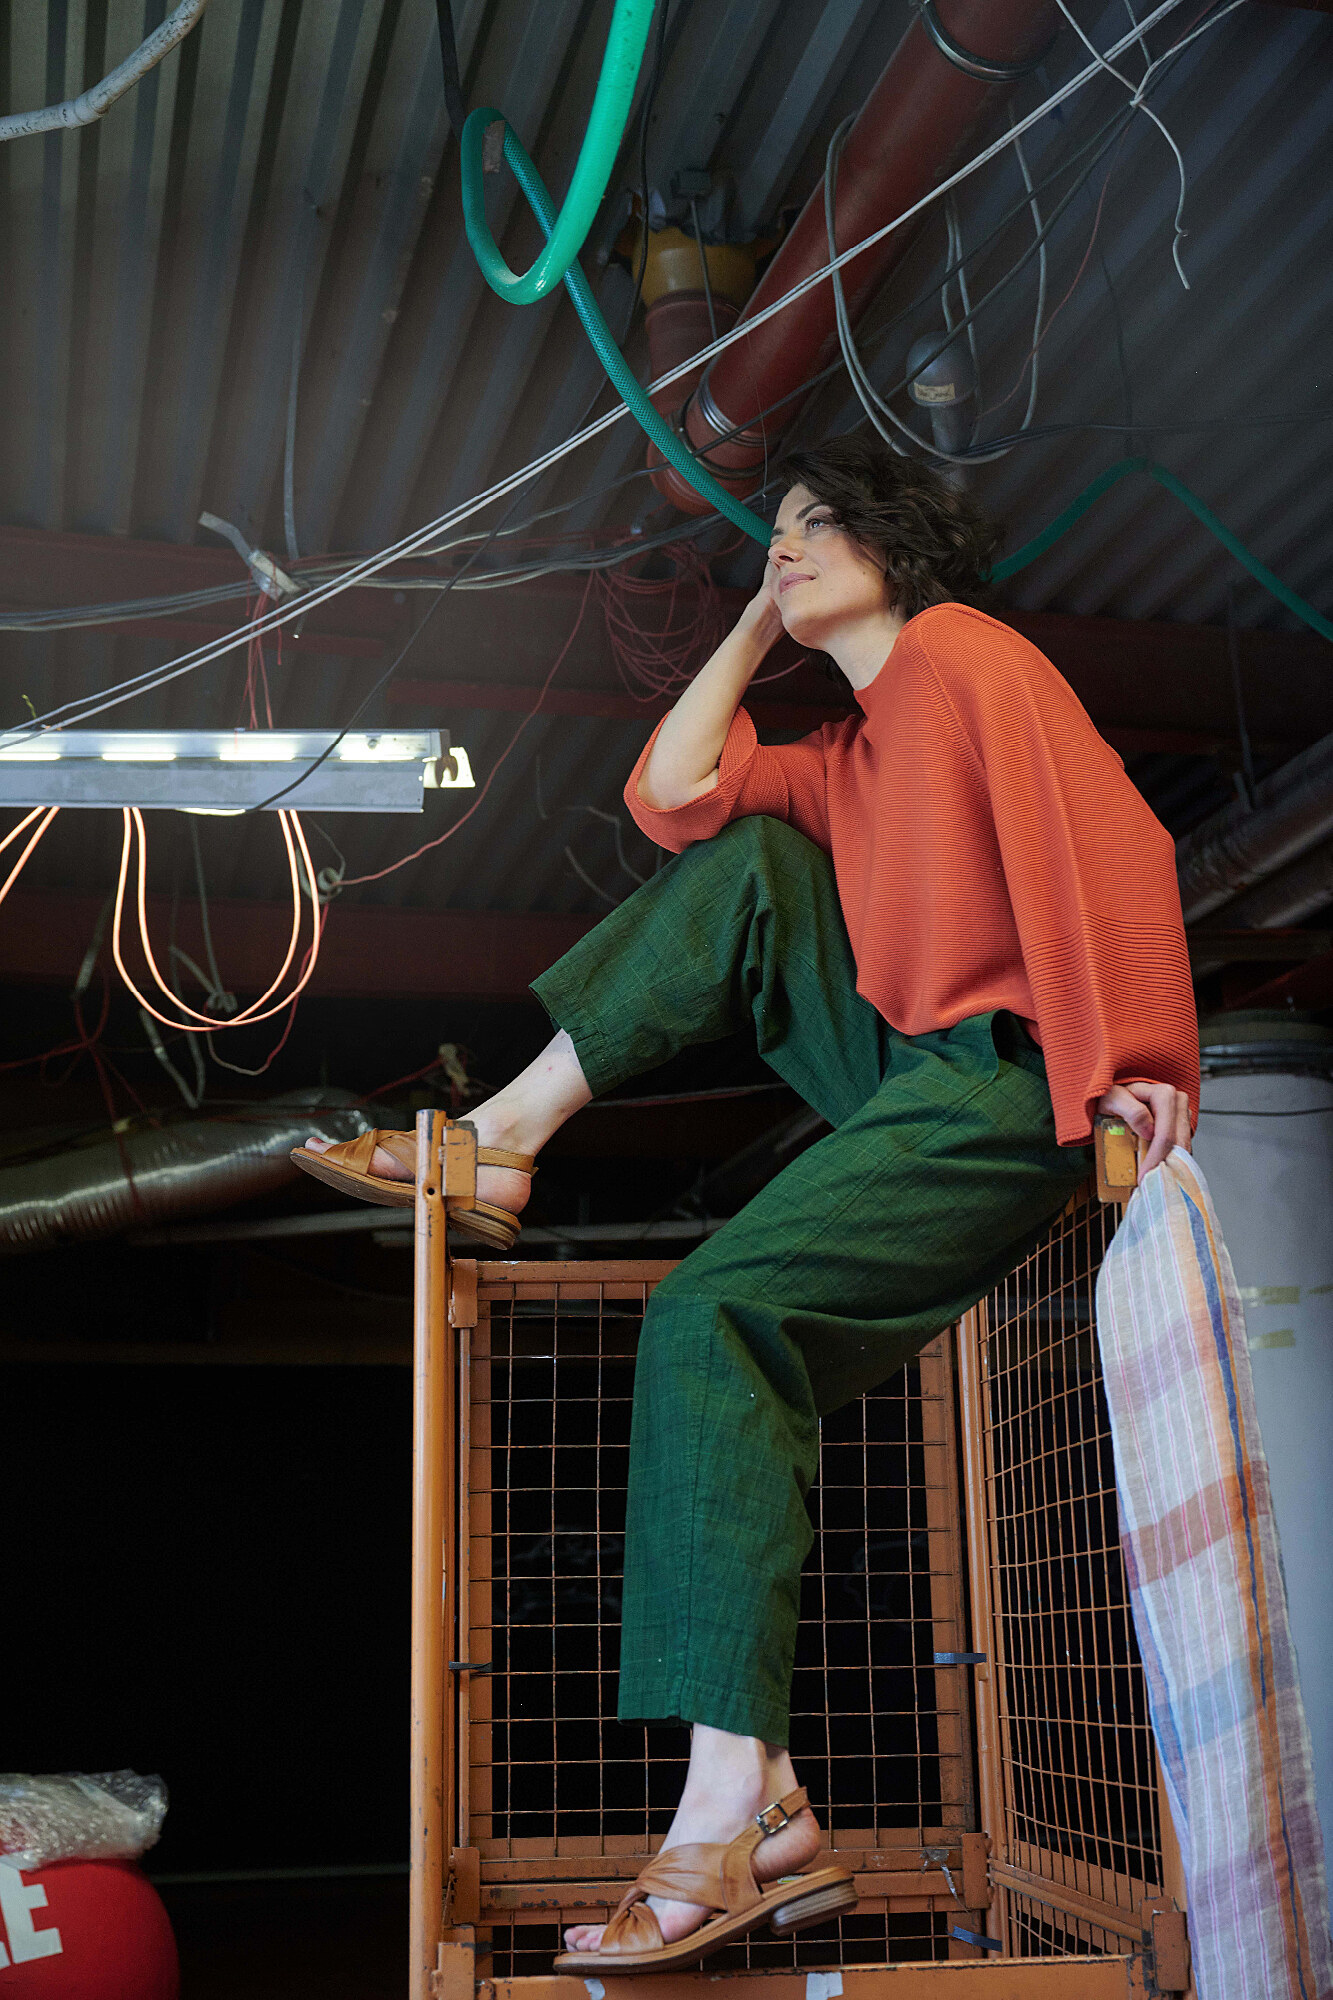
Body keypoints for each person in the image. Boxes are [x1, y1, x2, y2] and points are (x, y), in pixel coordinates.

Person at [294, 435, 1198, 1973]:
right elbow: (672, 796)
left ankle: (733, 1811)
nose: (786, 543)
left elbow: (1103, 834)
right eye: (773, 529)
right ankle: (507, 1134)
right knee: (749, 865)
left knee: (709, 1315)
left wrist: (1128, 1054)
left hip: (1003, 1078)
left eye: (820, 524)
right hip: (902, 1068)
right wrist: (750, 624)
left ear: (895, 545)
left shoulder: (966, 657)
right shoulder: (847, 753)